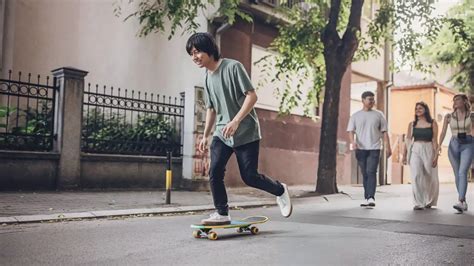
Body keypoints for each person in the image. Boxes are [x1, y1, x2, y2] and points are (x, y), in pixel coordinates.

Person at [186, 32, 292, 225]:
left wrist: (235, 121)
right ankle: (222, 213)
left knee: (250, 177)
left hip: (245, 132)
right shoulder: (207, 78)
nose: (194, 57)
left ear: (209, 49)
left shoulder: (233, 67)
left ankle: (280, 190)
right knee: (215, 171)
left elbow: (252, 96)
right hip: (221, 133)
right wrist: (205, 135)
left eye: (197, 51)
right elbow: (211, 108)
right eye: (191, 53)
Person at [347, 91, 391, 207]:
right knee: (365, 173)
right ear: (363, 100)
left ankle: (371, 197)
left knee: (371, 171)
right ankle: (367, 197)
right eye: (369, 99)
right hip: (360, 148)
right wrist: (353, 142)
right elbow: (350, 131)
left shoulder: (379, 115)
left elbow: (384, 132)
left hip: (374, 148)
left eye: (373, 99)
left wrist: (388, 147)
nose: (372, 101)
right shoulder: (355, 116)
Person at [438, 94, 474, 213]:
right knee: (457, 174)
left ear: (464, 101)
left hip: (468, 144)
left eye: (457, 99)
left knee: (462, 172)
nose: (455, 102)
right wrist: (439, 146)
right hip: (453, 145)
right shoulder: (448, 116)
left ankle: (461, 200)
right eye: (454, 100)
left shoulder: (472, 116)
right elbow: (443, 132)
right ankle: (463, 202)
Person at [402, 102, 439, 210]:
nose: (417, 110)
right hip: (415, 149)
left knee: (430, 175)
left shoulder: (432, 123)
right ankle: (418, 202)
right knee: (416, 174)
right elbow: (408, 140)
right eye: (416, 108)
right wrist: (404, 155)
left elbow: (435, 140)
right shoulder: (412, 124)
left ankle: (429, 200)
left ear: (425, 110)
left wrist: (436, 155)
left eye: (420, 108)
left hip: (429, 148)